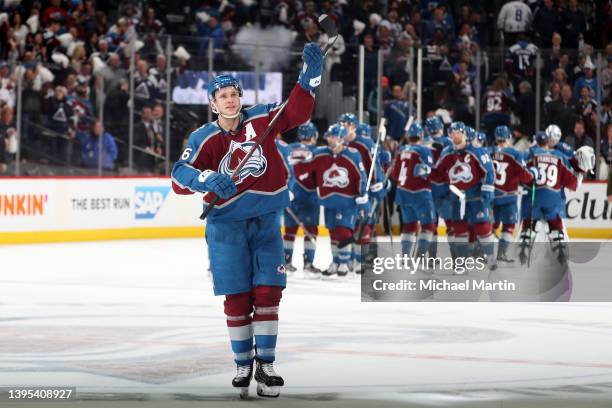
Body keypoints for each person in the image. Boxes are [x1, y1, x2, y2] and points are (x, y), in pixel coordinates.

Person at [170, 43, 323, 398]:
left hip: (267, 220)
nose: (229, 100)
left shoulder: (261, 118)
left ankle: (266, 364)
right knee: (237, 299)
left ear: (241, 97)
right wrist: (205, 180)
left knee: (269, 291)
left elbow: (296, 114)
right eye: (222, 95)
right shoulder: (202, 138)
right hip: (225, 228)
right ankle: (243, 363)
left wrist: (309, 80)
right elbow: (178, 176)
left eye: (233, 94)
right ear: (212, 103)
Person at [293, 123, 368, 276]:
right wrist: (296, 161)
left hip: (347, 201)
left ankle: (344, 263)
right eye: (328, 137)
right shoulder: (321, 153)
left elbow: (361, 176)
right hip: (328, 201)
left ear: (341, 138)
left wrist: (363, 193)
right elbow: (302, 163)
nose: (329, 140)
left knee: (343, 231)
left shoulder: (353, 154)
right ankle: (335, 262)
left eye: (333, 137)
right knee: (333, 232)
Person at [489, 125, 535, 262]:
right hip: (508, 196)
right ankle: (501, 253)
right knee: (509, 225)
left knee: (491, 225)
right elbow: (525, 175)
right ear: (509, 137)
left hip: (491, 195)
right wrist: (533, 174)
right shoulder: (515, 153)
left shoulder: (489, 152)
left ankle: (484, 252)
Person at [391, 122, 436, 258]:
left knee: (409, 226)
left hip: (402, 193)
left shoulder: (402, 150)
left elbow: (394, 175)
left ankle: (405, 256)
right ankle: (420, 255)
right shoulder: (424, 150)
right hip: (420, 193)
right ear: (421, 135)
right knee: (428, 226)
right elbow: (429, 171)